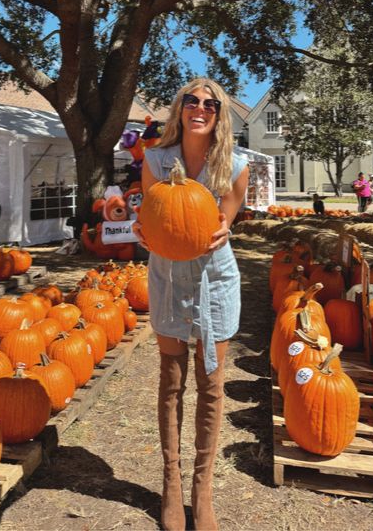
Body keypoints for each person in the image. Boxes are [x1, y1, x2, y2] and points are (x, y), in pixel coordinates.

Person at [133, 78, 249, 531]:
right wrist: (144, 233)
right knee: (171, 381)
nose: (200, 109)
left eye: (210, 104)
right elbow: (153, 218)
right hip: (166, 277)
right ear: (179, 109)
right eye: (191, 101)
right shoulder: (157, 160)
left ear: (220, 115)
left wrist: (224, 231)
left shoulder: (235, 165)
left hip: (214, 280)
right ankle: (171, 485)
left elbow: (222, 226)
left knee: (212, 385)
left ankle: (202, 490)